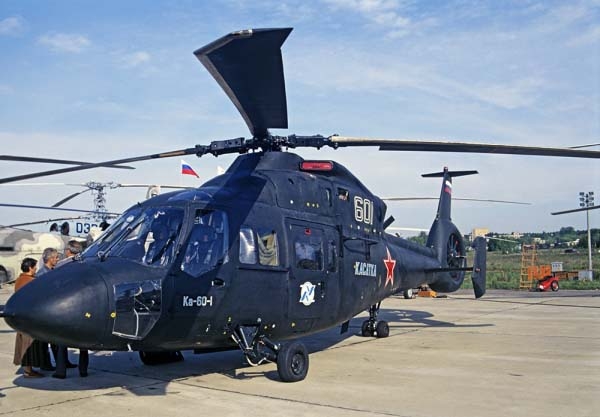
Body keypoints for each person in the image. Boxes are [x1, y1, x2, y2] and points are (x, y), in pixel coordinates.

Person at [52, 240, 89, 379]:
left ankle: (61, 371)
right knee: (83, 343)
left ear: (68, 251)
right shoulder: (86, 264)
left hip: (66, 306)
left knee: (62, 340)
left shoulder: (61, 265)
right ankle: (83, 370)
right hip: (84, 305)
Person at [12, 258, 52, 377]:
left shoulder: (19, 280)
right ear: (30, 268)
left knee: (24, 342)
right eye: (34, 267)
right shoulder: (31, 281)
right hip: (29, 317)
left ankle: (28, 369)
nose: (36, 269)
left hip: (20, 316)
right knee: (28, 344)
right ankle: (28, 371)